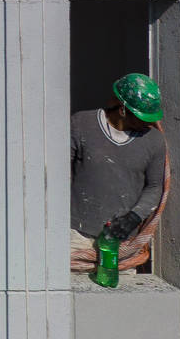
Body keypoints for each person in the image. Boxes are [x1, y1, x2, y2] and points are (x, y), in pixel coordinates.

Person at [71, 72, 167, 259]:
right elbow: (58, 174)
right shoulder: (81, 124)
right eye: (142, 117)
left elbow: (155, 186)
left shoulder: (155, 141)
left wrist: (133, 218)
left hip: (122, 243)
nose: (148, 123)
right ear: (122, 110)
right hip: (76, 237)